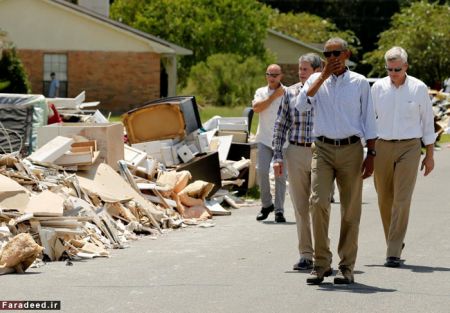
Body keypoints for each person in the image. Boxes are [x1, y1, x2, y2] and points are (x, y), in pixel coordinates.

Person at [295, 37, 377, 284]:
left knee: (350, 209)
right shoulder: (315, 80)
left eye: (336, 54)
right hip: (322, 148)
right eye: (327, 54)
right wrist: (321, 77)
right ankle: (321, 264)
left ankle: (346, 266)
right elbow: (301, 105)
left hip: (352, 148)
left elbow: (369, 120)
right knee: (318, 202)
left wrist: (371, 154)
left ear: (347, 54)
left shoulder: (360, 82)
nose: (331, 59)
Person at [371, 46, 435, 268]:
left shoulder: (418, 88)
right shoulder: (377, 88)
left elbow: (428, 122)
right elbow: (369, 120)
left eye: (397, 69)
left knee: (402, 198)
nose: (393, 73)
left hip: (410, 146)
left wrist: (430, 155)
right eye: (389, 69)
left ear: (406, 66)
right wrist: (366, 152)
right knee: (384, 198)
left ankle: (393, 250)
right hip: (382, 145)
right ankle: (394, 238)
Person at [272, 53, 322, 271]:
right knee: (300, 206)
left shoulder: (326, 93)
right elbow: (280, 125)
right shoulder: (290, 93)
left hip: (321, 153)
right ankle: (305, 254)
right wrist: (277, 156)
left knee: (319, 205)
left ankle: (323, 252)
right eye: (300, 69)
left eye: (305, 69)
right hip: (295, 151)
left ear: (317, 71)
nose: (301, 73)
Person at [252, 64, 287, 223]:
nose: (272, 77)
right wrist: (273, 96)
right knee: (262, 171)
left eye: (275, 74)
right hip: (264, 139)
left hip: (283, 141)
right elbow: (257, 108)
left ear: (281, 76)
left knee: (280, 176)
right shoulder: (261, 92)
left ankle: (279, 211)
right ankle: (266, 205)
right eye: (269, 74)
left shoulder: (288, 93)